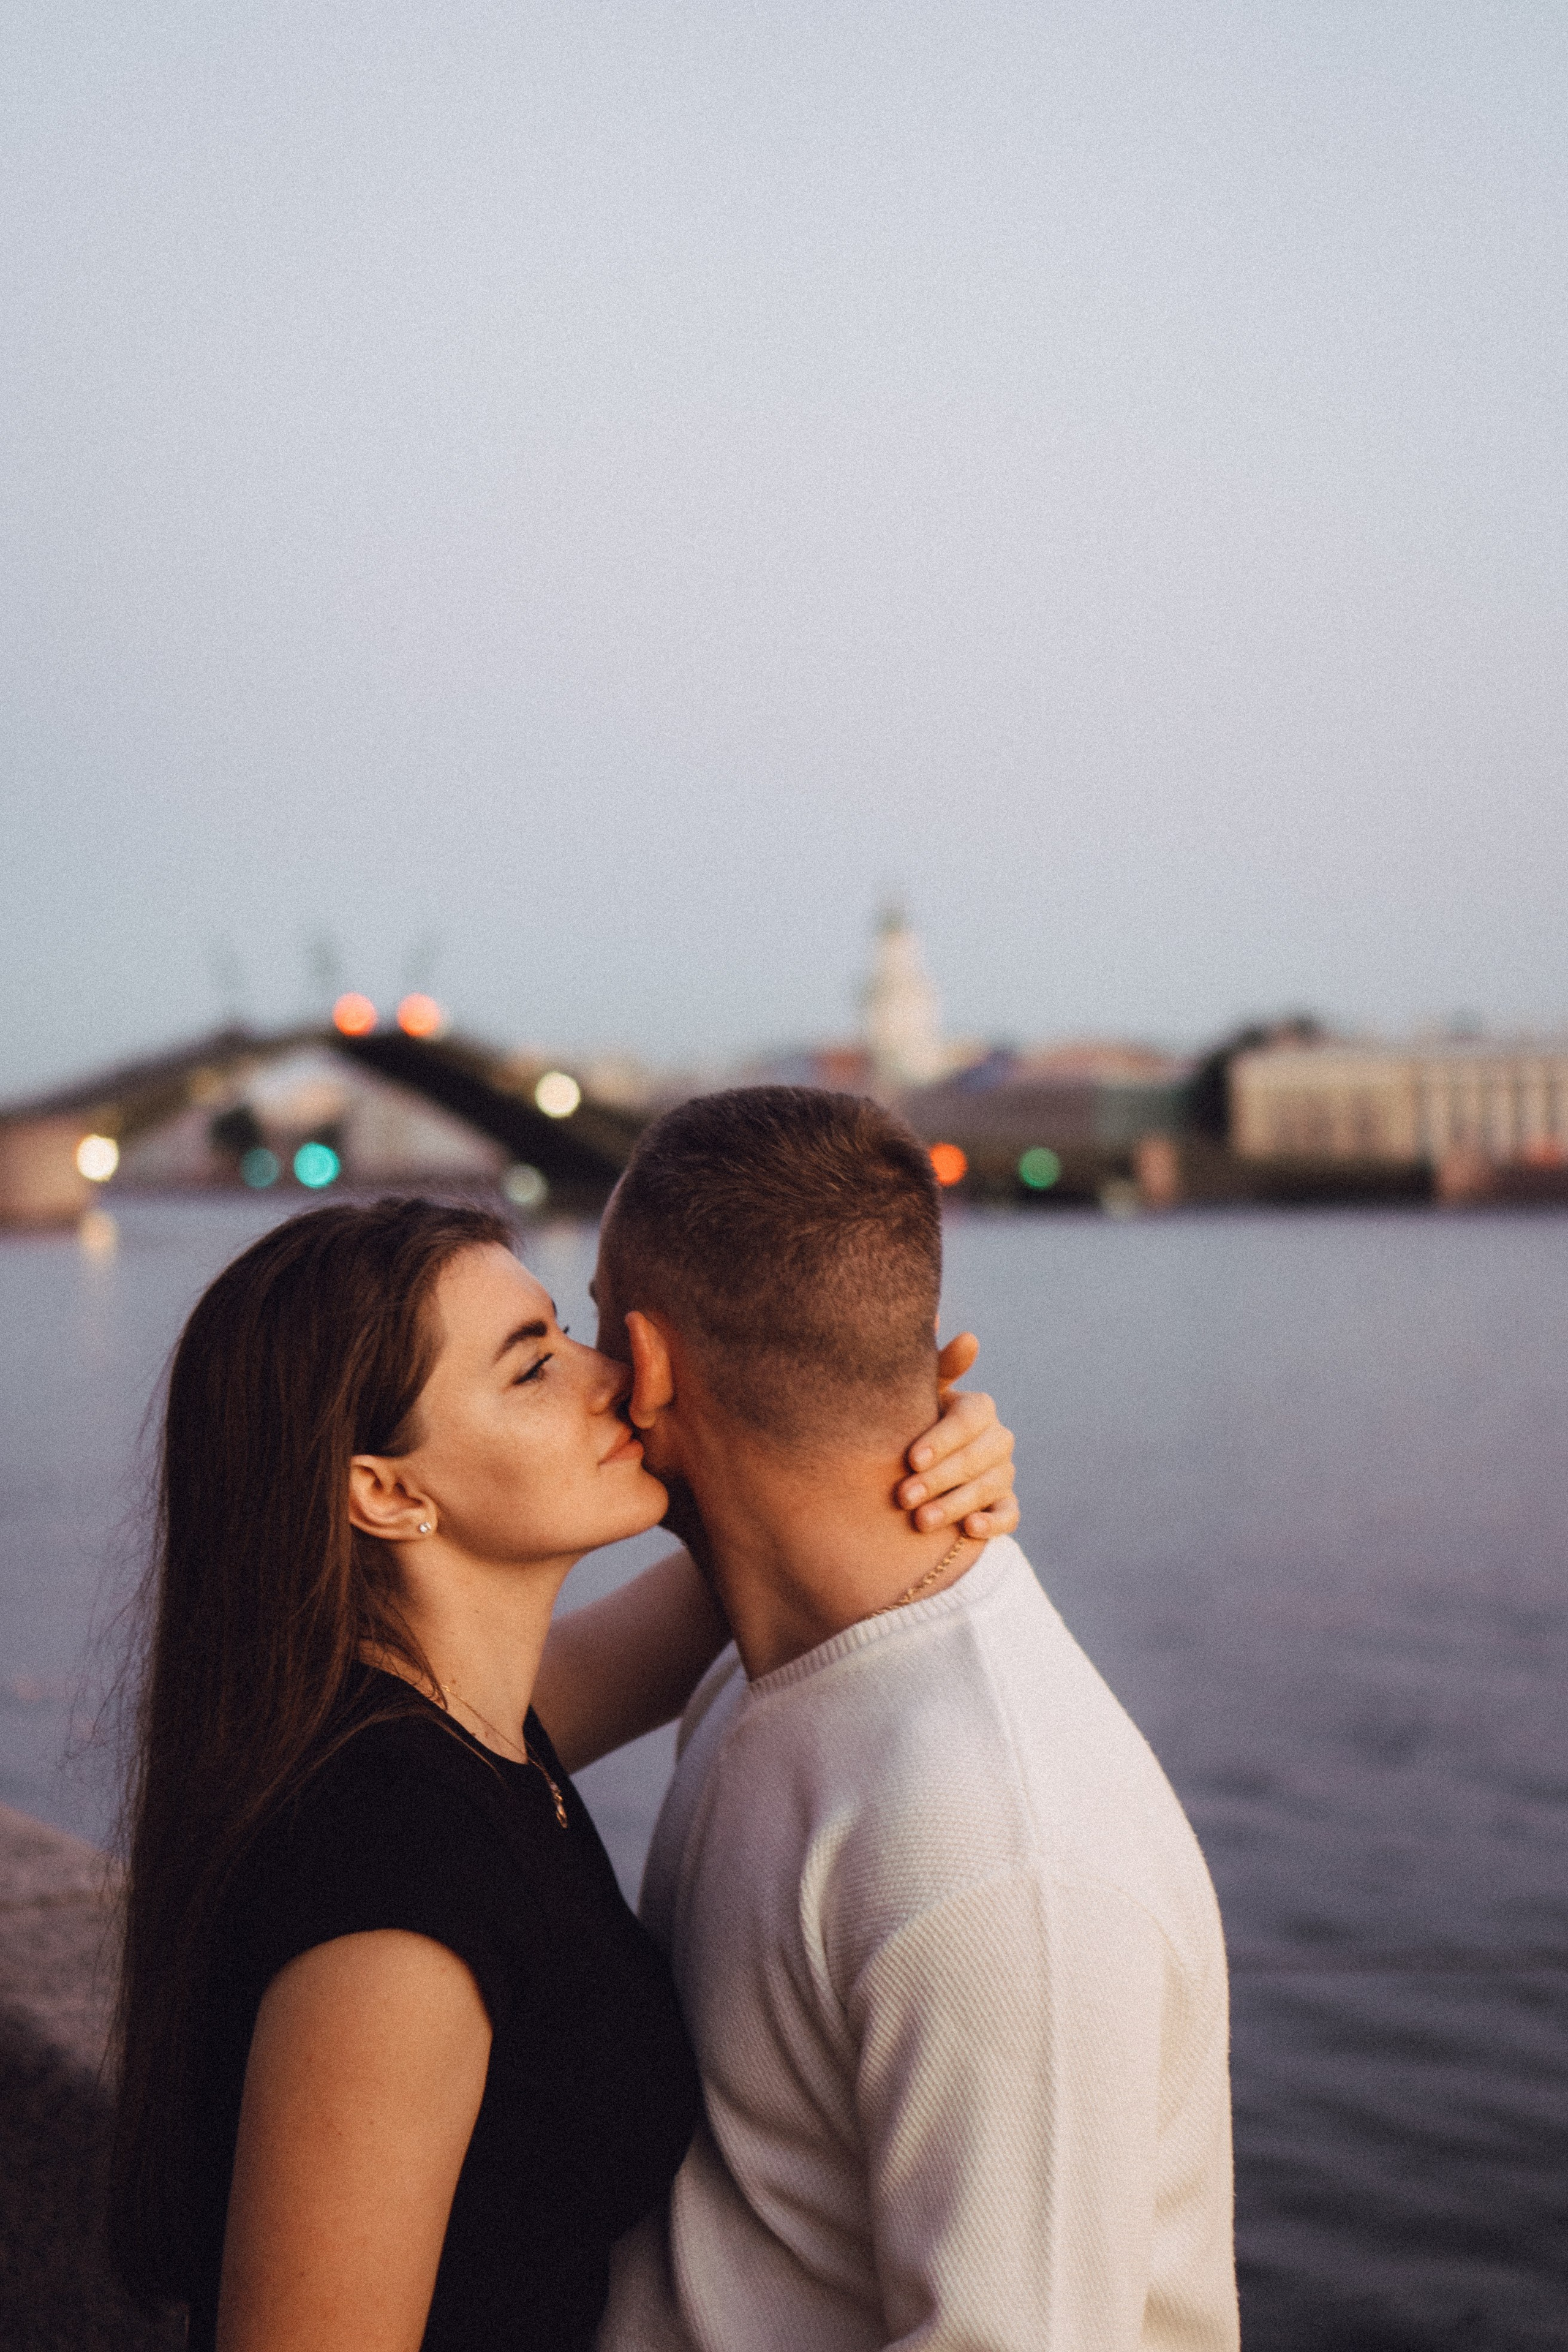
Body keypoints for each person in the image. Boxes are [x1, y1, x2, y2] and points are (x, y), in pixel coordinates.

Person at [109, 1194, 1018, 2351]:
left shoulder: (455, 1726)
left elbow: (770, 1559)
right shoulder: (393, 1908)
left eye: (565, 1333)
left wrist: (903, 1440)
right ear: (387, 1491)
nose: (614, 1381)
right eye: (532, 1367)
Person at [592, 1088, 1240, 2352]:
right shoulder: (759, 1670)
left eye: (589, 1328)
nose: (584, 1372)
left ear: (651, 1363)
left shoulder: (999, 1858)